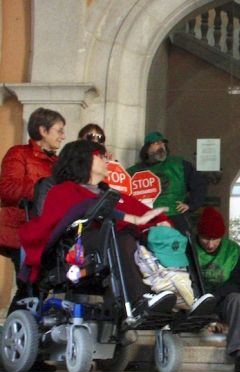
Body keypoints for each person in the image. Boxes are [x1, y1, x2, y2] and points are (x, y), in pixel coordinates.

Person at [19, 140, 177, 319]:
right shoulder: (63, 191)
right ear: (84, 160)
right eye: (100, 156)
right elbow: (55, 226)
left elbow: (143, 212)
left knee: (168, 236)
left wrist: (161, 223)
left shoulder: (109, 194)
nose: (107, 159)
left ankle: (183, 298)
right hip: (77, 250)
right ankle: (138, 301)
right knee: (120, 237)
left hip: (109, 245)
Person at [1, 107, 65, 317]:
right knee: (30, 285)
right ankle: (17, 336)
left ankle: (25, 335)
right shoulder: (19, 153)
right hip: (22, 227)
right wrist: (43, 191)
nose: (62, 136)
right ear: (42, 130)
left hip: (48, 232)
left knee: (38, 286)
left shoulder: (57, 163)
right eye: (58, 130)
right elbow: (8, 189)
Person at [195, 206, 240, 372]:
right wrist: (209, 318)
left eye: (215, 239)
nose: (210, 244)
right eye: (205, 238)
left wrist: (216, 303)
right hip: (195, 303)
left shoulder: (232, 250)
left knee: (237, 298)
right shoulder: (189, 248)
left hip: (221, 300)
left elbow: (237, 283)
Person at [126, 131, 207, 234]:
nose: (161, 146)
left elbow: (199, 184)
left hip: (175, 217)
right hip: (146, 220)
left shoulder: (179, 165)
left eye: (163, 143)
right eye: (156, 143)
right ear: (147, 148)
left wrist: (191, 204)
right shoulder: (132, 172)